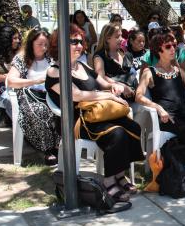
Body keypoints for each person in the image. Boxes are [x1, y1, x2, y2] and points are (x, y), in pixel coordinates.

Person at [46, 24, 143, 202]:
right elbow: (76, 95)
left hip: (99, 115)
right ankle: (109, 181)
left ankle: (119, 175)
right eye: (73, 41)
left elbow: (101, 81)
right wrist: (108, 96)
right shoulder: (55, 71)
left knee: (133, 128)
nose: (79, 45)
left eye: (80, 41)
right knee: (117, 133)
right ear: (59, 45)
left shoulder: (82, 66)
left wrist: (113, 85)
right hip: (79, 120)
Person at [136, 31, 185, 181]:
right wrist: (158, 108)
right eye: (168, 46)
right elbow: (138, 96)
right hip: (168, 116)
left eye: (174, 45)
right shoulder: (149, 72)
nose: (173, 49)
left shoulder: (178, 71)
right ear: (158, 50)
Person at [6, 28, 59, 164]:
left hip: (50, 94)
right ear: (31, 44)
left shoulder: (51, 58)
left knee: (63, 109)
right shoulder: (22, 59)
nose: (43, 47)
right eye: (39, 44)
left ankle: (59, 145)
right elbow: (11, 81)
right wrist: (35, 81)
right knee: (40, 110)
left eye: (46, 44)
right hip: (28, 95)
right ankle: (48, 148)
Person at [94, 24, 137, 99]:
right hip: (115, 99)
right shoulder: (100, 57)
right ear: (107, 39)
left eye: (121, 36)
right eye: (117, 37)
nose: (121, 39)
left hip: (134, 96)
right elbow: (100, 78)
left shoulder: (126, 54)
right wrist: (122, 86)